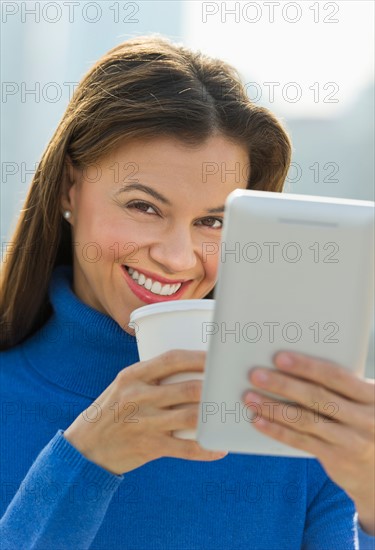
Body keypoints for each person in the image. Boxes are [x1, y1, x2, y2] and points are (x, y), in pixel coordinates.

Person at [0, 34, 374, 550]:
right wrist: (87, 459)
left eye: (213, 221)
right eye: (144, 207)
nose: (178, 258)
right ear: (69, 186)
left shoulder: (285, 426)